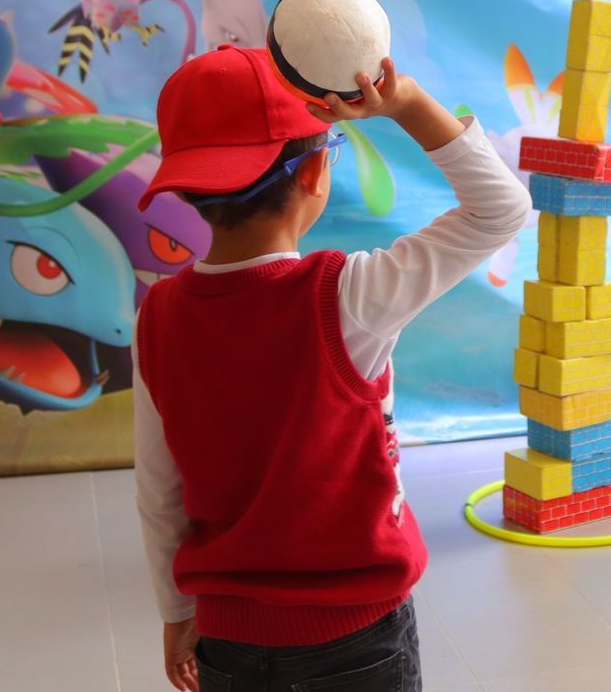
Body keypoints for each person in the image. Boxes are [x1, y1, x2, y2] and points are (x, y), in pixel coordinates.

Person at [133, 46, 530, 692]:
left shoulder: (160, 315)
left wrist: (176, 612)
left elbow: (158, 490)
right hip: (357, 639)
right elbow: (502, 211)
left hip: (228, 639)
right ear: (317, 171)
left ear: (187, 189)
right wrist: (404, 103)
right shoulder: (348, 295)